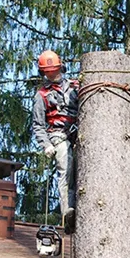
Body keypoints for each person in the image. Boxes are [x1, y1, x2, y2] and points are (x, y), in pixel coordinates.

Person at [32, 50, 79, 234]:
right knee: (65, 169)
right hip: (58, 135)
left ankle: (76, 207)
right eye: (48, 72)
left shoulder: (75, 86)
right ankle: (68, 211)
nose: (52, 74)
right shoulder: (42, 95)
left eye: (55, 70)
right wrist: (46, 145)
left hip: (79, 132)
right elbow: (38, 125)